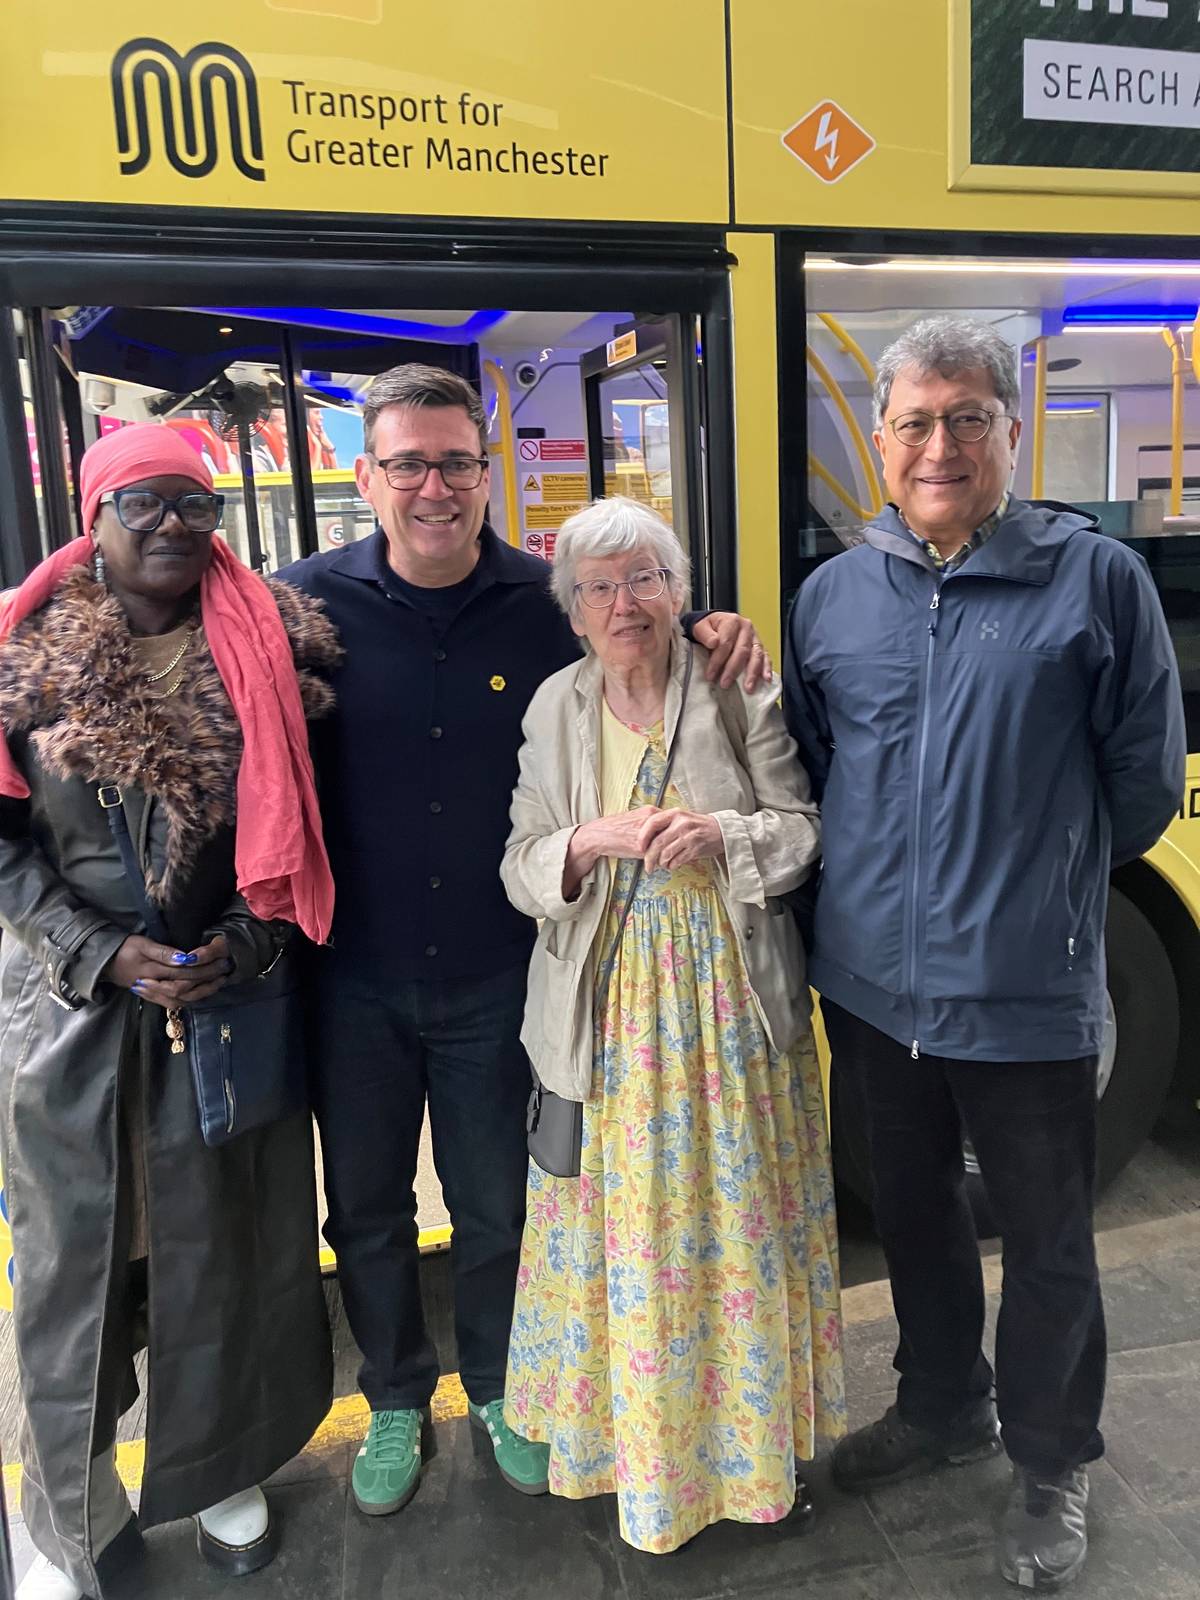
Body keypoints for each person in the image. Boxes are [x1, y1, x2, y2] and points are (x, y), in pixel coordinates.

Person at [274, 364, 770, 1518]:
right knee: (364, 1208)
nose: (434, 485)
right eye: (407, 462)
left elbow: (644, 622)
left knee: (505, 1201)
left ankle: (500, 1383)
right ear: (367, 475)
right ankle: (395, 1394)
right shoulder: (299, 606)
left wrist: (716, 620)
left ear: (487, 471)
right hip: (351, 974)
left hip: (510, 967)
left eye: (455, 461)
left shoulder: (546, 601)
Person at [783, 315, 1185, 1591]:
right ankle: (942, 1405)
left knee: (1051, 1238)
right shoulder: (835, 593)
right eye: (913, 420)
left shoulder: (1092, 580)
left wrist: (1041, 885)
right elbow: (819, 764)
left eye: (967, 417)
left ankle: (1052, 1461)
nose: (939, 444)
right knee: (913, 1216)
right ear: (882, 439)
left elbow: (1142, 783)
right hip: (871, 989)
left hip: (1027, 988)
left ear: (1012, 432)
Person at [0, 425, 341, 1600]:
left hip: (227, 1001)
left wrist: (247, 940)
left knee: (222, 1250)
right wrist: (100, 950)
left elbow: (313, 833)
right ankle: (68, 1505)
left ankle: (216, 1467)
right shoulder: (20, 654)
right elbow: (3, 849)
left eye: (195, 503)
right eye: (144, 501)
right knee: (75, 1271)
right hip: (74, 1017)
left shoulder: (279, 654)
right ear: (94, 514)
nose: (171, 526)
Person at [499, 497, 845, 1553]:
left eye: (643, 578)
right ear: (572, 611)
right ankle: (644, 1467)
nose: (622, 603)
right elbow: (518, 867)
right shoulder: (555, 708)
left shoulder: (734, 686)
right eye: (597, 587)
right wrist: (581, 841)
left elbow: (802, 831)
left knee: (738, 1238)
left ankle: (749, 1459)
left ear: (679, 593)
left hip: (731, 1006)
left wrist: (723, 833)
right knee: (631, 1247)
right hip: (606, 1018)